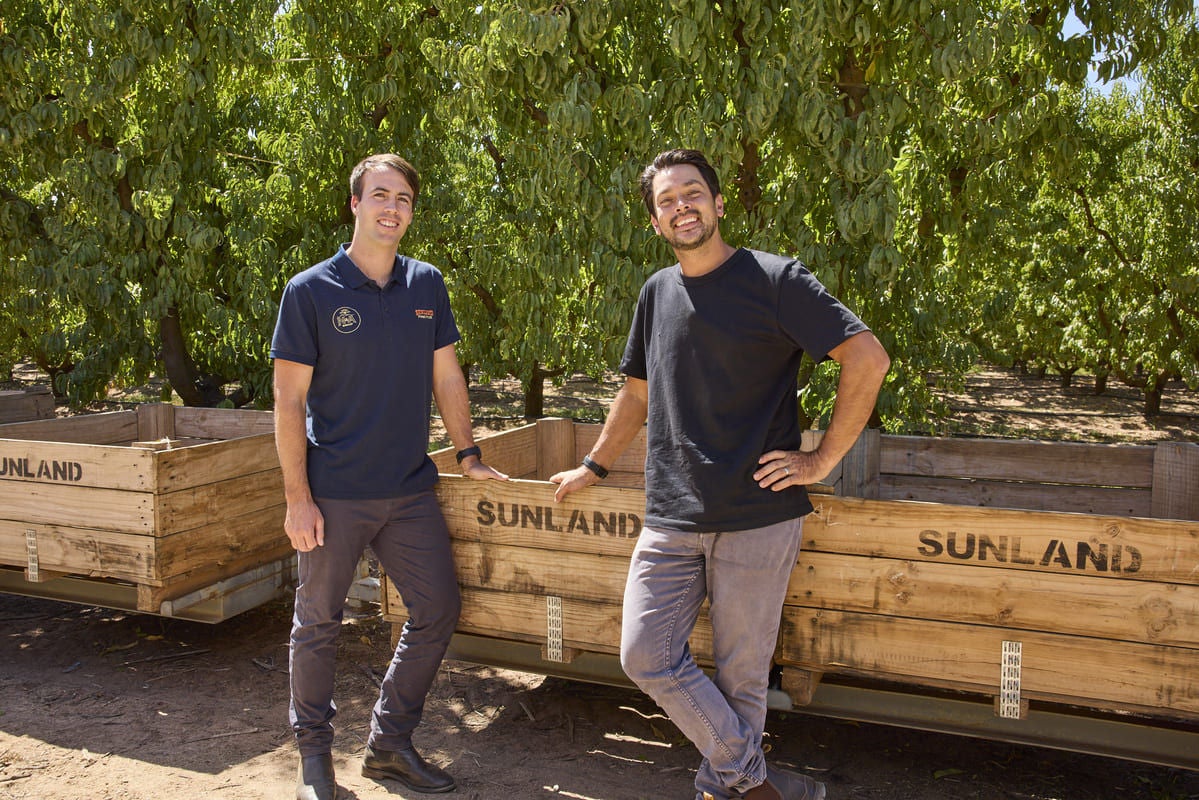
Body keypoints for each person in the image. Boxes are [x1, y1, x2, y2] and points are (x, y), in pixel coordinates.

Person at [551, 149, 890, 800]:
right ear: (655, 221)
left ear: (718, 202)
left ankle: (724, 787)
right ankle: (756, 785)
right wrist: (595, 463)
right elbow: (636, 393)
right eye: (667, 201)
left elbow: (867, 358)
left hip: (758, 515)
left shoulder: (776, 280)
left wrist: (822, 459)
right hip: (672, 513)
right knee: (644, 656)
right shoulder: (657, 292)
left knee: (742, 678)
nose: (681, 206)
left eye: (692, 193)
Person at [271, 153, 508, 800]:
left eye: (403, 198)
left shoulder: (426, 284)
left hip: (408, 490)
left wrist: (467, 453)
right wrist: (297, 498)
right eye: (380, 195)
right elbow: (288, 401)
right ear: (355, 204)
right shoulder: (310, 290)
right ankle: (314, 761)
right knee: (318, 623)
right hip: (334, 493)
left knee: (437, 609)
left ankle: (389, 745)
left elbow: (446, 375)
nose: (392, 208)